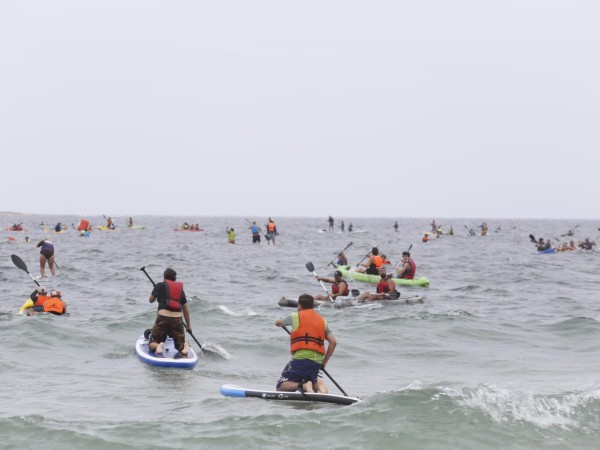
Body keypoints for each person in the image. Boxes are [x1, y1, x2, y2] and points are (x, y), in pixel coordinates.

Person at [275, 294, 336, 393]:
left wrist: (281, 320)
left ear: (299, 306)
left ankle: (303, 385)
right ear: (312, 306)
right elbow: (333, 342)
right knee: (310, 385)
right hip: (317, 362)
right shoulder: (322, 321)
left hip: (301, 359)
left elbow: (278, 323)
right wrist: (324, 363)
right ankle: (318, 384)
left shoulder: (295, 316)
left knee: (281, 386)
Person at [148, 268, 191, 357]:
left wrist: (156, 291)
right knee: (179, 346)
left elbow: (151, 300)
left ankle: (158, 345)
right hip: (177, 319)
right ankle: (185, 346)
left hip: (162, 318)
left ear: (164, 277)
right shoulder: (180, 290)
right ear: (175, 279)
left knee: (152, 343)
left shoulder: (159, 285)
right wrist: (188, 326)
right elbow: (186, 311)